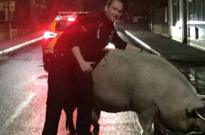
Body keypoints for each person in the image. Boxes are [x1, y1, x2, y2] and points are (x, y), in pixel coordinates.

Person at [42, 0, 137, 134]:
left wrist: (145, 54)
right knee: (55, 105)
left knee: (86, 103)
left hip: (79, 67)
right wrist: (82, 63)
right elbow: (74, 42)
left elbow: (121, 44)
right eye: (114, 9)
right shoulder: (92, 20)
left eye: (119, 11)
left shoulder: (109, 26)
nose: (116, 13)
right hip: (62, 64)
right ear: (106, 7)